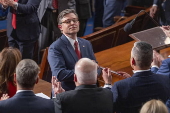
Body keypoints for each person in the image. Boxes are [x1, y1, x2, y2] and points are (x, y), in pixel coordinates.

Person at [104, 41, 170, 113]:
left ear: (132, 61)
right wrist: (130, 80)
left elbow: (108, 108)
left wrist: (108, 84)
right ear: (151, 61)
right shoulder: (165, 79)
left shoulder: (119, 87)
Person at [48, 9, 98, 91]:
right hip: (67, 92)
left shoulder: (86, 43)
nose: (72, 23)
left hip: (88, 90)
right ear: (60, 27)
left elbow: (96, 67)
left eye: (74, 21)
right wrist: (86, 73)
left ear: (78, 23)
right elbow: (60, 74)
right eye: (68, 22)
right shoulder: (55, 48)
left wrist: (94, 71)